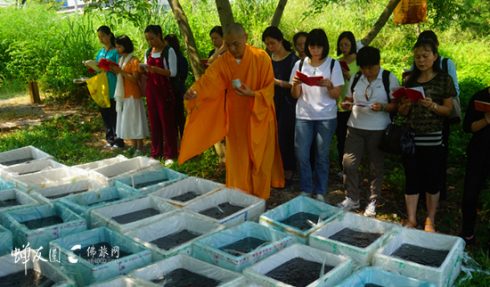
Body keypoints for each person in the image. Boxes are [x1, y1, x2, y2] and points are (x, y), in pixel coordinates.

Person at [179, 23, 284, 199]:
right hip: (236, 118)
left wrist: (253, 93)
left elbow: (269, 90)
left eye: (236, 43)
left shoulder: (261, 57)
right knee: (239, 160)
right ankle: (240, 198)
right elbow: (208, 82)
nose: (232, 48)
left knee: (261, 160)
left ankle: (260, 197)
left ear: (246, 37)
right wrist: (194, 93)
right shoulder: (224, 62)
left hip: (261, 115)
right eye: (228, 45)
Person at [398, 38, 454, 232]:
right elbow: (402, 112)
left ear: (434, 56)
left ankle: (430, 219)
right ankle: (412, 219)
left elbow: (449, 110)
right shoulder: (409, 80)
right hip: (412, 138)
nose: (421, 60)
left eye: (425, 56)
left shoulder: (443, 79)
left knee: (432, 180)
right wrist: (405, 106)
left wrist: (433, 106)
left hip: (433, 138)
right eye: (417, 57)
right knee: (412, 178)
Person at [337, 46, 399, 217]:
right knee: (348, 163)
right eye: (363, 68)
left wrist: (384, 107)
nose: (367, 71)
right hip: (355, 126)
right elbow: (349, 98)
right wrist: (346, 104)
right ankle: (352, 197)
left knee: (375, 167)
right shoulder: (357, 77)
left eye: (370, 68)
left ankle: (372, 201)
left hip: (378, 129)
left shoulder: (388, 78)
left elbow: (397, 104)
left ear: (378, 64)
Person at [290, 28, 344, 201]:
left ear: (324, 47)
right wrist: (296, 83)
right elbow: (295, 95)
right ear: (307, 47)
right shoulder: (299, 64)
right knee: (302, 154)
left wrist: (329, 85)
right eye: (312, 46)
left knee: (322, 155)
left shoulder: (333, 64)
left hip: (326, 116)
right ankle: (306, 188)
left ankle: (320, 190)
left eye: (318, 47)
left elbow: (336, 95)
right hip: (304, 115)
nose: (315, 50)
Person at [416, 30, 461, 201]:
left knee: (439, 155)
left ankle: (439, 192)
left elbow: (455, 89)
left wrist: (433, 98)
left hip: (441, 116)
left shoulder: (446, 63)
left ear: (435, 50)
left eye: (428, 47)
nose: (421, 58)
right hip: (419, 119)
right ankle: (421, 193)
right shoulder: (417, 63)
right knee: (419, 158)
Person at [262, 26, 298, 186]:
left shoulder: (293, 60)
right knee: (272, 136)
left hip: (288, 103)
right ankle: (275, 170)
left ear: (280, 41)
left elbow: (294, 85)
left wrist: (275, 81)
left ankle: (288, 170)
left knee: (285, 136)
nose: (270, 47)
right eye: (267, 44)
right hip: (271, 101)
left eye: (272, 43)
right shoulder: (268, 59)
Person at [143, 25, 178, 165]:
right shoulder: (148, 52)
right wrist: (144, 69)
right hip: (151, 90)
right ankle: (156, 152)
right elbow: (147, 69)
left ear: (159, 35)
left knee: (167, 121)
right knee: (154, 121)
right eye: (147, 39)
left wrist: (156, 70)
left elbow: (173, 72)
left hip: (164, 90)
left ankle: (170, 153)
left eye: (152, 38)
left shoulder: (169, 51)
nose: (150, 42)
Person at [460, 87, 490, 245]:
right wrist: (486, 119)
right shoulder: (480, 96)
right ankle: (467, 233)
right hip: (480, 152)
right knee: (471, 193)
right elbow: (468, 127)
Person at [111, 35, 149, 155]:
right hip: (124, 94)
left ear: (125, 46)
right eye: (116, 46)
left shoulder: (134, 60)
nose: (117, 49)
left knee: (135, 120)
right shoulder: (121, 60)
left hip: (133, 94)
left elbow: (135, 79)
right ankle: (133, 145)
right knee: (127, 120)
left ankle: (140, 147)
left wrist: (121, 72)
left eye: (119, 46)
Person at [89, 26, 124, 149]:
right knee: (105, 114)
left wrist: (109, 66)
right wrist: (92, 66)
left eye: (103, 36)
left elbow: (120, 70)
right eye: (99, 37)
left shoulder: (116, 51)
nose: (101, 39)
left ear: (109, 35)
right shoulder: (101, 52)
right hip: (102, 86)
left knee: (115, 113)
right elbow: (98, 67)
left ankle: (118, 140)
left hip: (113, 85)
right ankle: (110, 139)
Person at [335, 31, 359, 173]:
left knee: (354, 140)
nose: (344, 47)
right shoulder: (337, 62)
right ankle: (341, 168)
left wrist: (349, 76)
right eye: (341, 45)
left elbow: (363, 81)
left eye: (347, 44)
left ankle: (354, 168)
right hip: (340, 105)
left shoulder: (359, 61)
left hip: (355, 106)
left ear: (352, 45)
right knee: (341, 138)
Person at [206, 26, 226, 163]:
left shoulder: (229, 52)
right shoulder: (211, 53)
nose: (214, 41)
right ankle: (222, 156)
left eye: (216, 38)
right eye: (212, 39)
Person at [164, 34, 189, 140]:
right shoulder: (181, 58)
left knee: (178, 117)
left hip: (176, 90)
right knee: (177, 118)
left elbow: (182, 75)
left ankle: (182, 140)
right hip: (177, 89)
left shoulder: (179, 58)